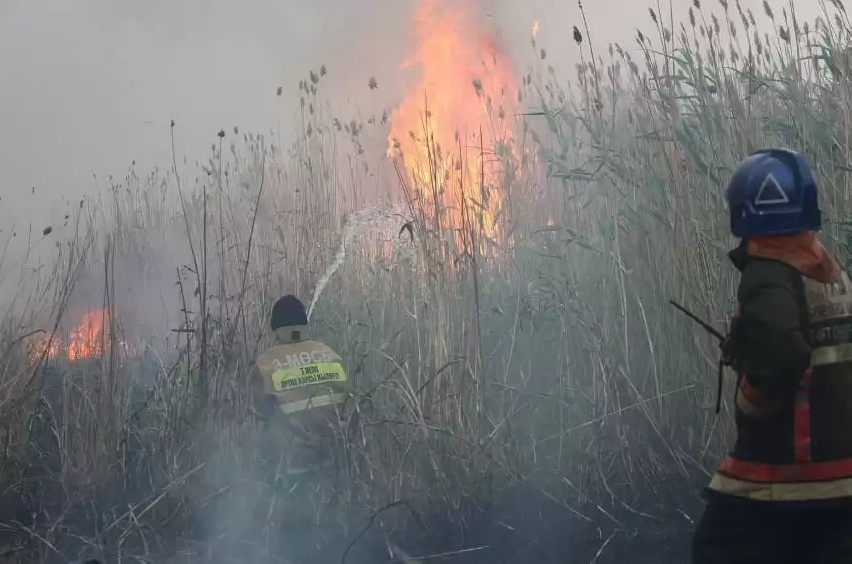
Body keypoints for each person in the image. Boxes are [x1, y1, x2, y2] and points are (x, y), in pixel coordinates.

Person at [692, 148, 852, 563]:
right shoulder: (828, 270)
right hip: (842, 479)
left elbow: (782, 356)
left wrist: (750, 399)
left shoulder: (767, 271)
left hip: (786, 477)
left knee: (715, 550)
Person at [251, 294, 350, 475]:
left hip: (292, 466)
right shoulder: (333, 356)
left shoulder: (266, 364)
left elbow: (261, 412)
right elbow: (344, 407)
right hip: (334, 461)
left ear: (275, 328)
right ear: (304, 323)